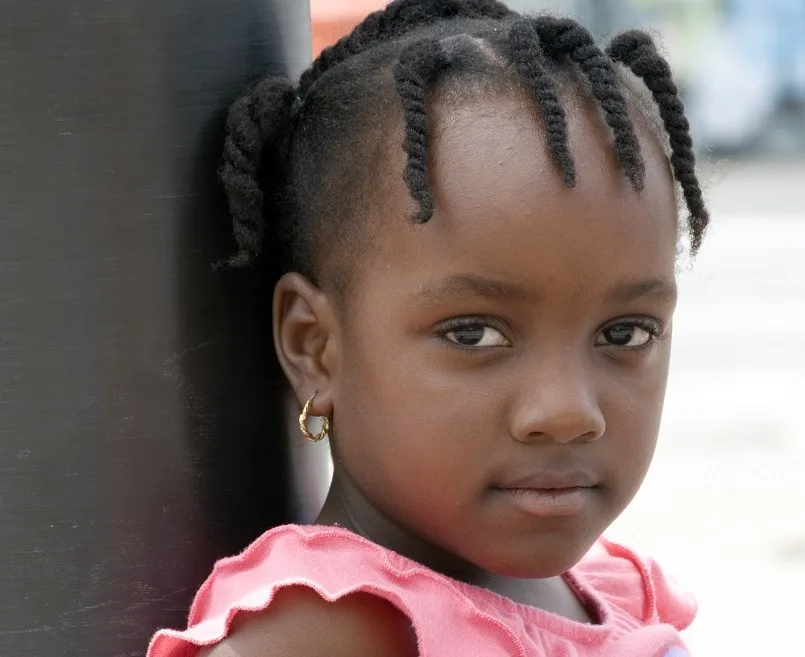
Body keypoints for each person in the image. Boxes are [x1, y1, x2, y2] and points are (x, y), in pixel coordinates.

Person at [147, 0, 710, 655]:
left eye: (627, 333)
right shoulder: (326, 633)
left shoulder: (611, 590)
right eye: (473, 334)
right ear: (316, 347)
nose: (565, 411)